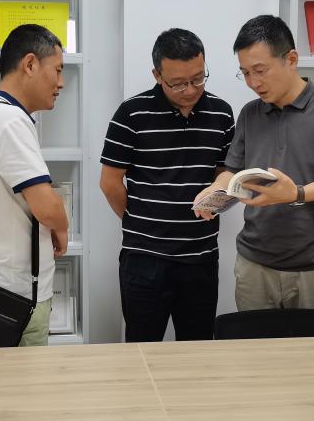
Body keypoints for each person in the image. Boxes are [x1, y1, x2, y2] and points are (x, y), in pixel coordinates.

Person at [195, 15, 314, 313]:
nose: (253, 83)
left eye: (260, 70)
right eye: (245, 73)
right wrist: (215, 190)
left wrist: (296, 193)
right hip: (255, 263)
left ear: (291, 59)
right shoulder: (250, 113)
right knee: (255, 344)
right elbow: (233, 170)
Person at [100, 28, 235, 342]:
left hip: (201, 258)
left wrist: (218, 195)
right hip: (144, 259)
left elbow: (226, 174)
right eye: (178, 83)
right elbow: (110, 183)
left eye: (198, 78)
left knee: (198, 346)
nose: (190, 90)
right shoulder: (131, 113)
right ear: (157, 75)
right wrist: (141, 223)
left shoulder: (222, 113)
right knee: (142, 348)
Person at [0, 24, 68, 346]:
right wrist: (62, 225)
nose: (61, 83)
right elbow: (47, 207)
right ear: (30, 64)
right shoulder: (11, 121)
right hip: (13, 296)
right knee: (27, 379)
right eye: (57, 70)